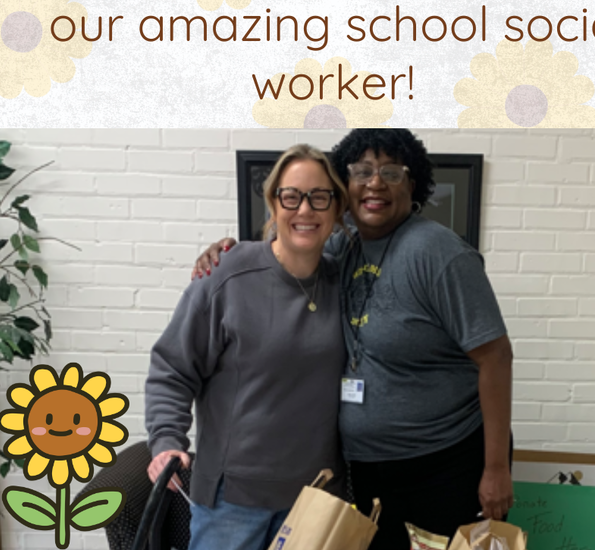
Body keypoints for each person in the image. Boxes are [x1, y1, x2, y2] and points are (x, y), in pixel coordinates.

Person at [195, 129, 514, 549]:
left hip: (444, 465)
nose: (375, 182)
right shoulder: (345, 250)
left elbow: (496, 357)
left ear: (412, 184)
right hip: (368, 470)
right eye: (361, 171)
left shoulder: (438, 253)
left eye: (391, 172)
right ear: (345, 187)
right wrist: (229, 253)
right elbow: (290, 254)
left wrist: (495, 470)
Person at [146, 144, 348, 550]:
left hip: (318, 499)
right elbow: (172, 370)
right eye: (291, 196)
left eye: (319, 197)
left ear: (336, 208)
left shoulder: (346, 281)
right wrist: (167, 441)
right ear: (273, 203)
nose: (305, 210)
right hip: (231, 501)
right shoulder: (228, 275)